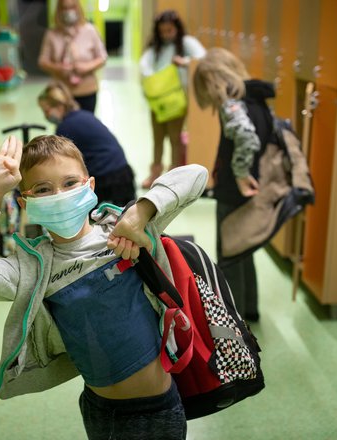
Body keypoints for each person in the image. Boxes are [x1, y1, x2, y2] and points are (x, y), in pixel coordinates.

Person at [0, 134, 208, 439]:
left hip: (156, 411)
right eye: (44, 189)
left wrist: (140, 212)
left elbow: (196, 175)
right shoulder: (35, 268)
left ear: (90, 186)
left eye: (70, 183)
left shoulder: (124, 233)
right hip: (97, 410)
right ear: (26, 202)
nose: (59, 194)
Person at [192, 47, 276, 322]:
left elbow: (246, 138)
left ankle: (234, 319)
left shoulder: (232, 106)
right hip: (254, 188)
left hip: (235, 191)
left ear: (213, 80)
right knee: (244, 249)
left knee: (229, 255)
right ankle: (250, 309)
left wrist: (239, 175)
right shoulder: (257, 100)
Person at [38, 80, 136, 207]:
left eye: (47, 111)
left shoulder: (65, 127)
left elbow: (61, 163)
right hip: (122, 172)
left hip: (108, 178)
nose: (46, 116)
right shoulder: (83, 115)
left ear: (59, 106)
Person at [139, 9, 206, 189]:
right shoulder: (155, 48)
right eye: (162, 31)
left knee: (175, 139)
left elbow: (203, 58)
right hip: (158, 101)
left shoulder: (186, 43)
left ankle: (175, 176)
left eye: (170, 30)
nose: (166, 35)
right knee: (157, 138)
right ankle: (155, 173)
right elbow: (144, 65)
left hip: (177, 100)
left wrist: (184, 62)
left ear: (177, 28)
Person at [38, 0, 107, 113]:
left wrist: (86, 67)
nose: (68, 11)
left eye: (71, 7)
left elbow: (102, 57)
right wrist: (58, 68)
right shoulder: (52, 34)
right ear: (59, 10)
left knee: (85, 125)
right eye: (64, 8)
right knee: (65, 128)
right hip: (61, 92)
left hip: (87, 90)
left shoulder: (90, 30)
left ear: (78, 8)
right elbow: (42, 61)